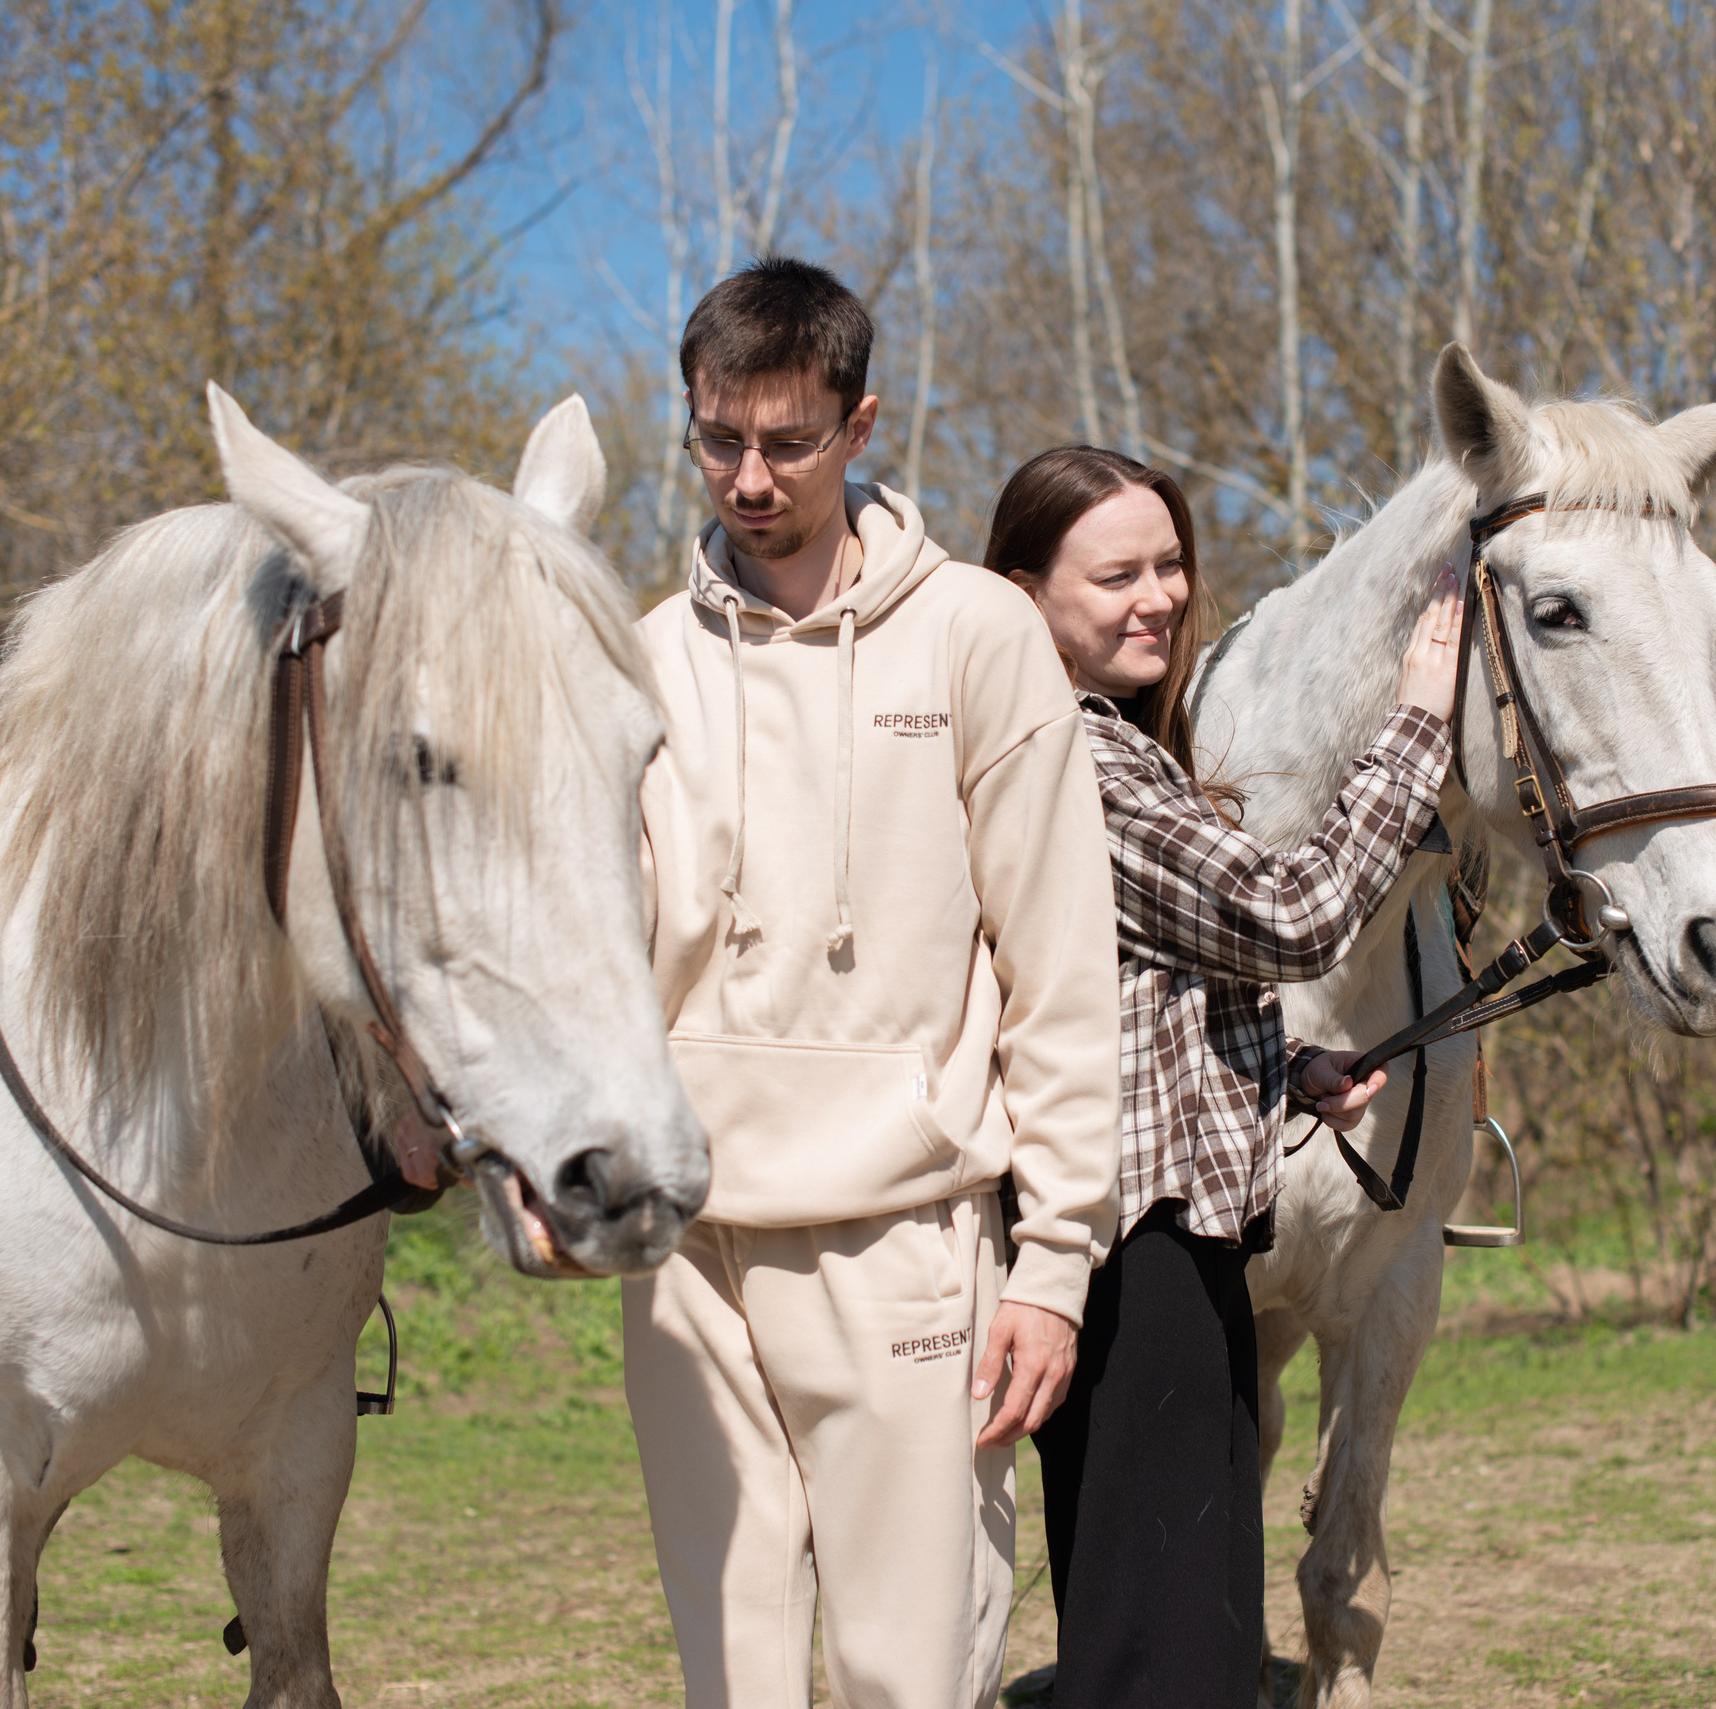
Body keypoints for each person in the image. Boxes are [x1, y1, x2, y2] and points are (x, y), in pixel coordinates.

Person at [624, 259, 1122, 1709]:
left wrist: (1057, 1259)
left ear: (863, 424)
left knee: (913, 1678)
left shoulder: (976, 633)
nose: (752, 476)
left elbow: (1060, 965)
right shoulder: (646, 659)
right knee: (739, 1683)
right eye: (721, 439)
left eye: (788, 440)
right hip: (689, 1248)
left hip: (912, 1237)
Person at [985, 445, 1464, 1708]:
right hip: (1133, 1248)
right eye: (1114, 574)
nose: (1157, 595)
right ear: (1026, 595)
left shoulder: (1123, 747)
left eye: (1169, 564)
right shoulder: (1077, 758)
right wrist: (1416, 724)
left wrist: (1277, 1060)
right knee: (1169, 1652)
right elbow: (1290, 918)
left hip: (1167, 1233)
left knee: (1175, 1623)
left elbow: (1110, 985)